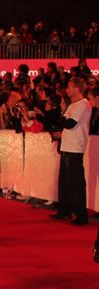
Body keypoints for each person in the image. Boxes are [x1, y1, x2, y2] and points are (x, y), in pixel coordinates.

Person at [50, 77, 91, 225]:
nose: (67, 90)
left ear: (76, 89)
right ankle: (65, 210)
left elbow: (69, 123)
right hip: (67, 146)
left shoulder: (83, 104)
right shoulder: (73, 105)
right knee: (65, 182)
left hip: (75, 148)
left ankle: (80, 214)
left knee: (75, 183)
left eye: (69, 87)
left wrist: (61, 115)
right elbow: (64, 122)